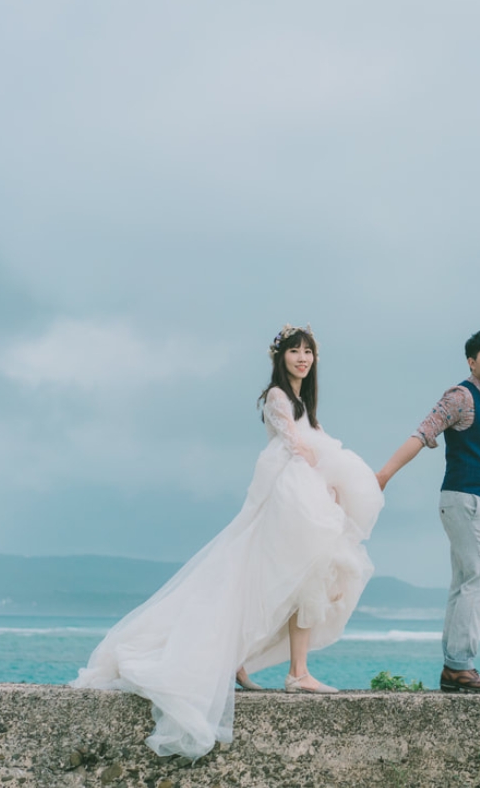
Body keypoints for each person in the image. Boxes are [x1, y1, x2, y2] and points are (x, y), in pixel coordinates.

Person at [72, 325, 383, 759]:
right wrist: (325, 485)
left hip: (302, 498)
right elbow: (299, 450)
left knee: (304, 582)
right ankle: (285, 669)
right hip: (289, 501)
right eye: (294, 351)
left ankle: (293, 670)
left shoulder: (308, 406)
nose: (302, 358)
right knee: (278, 579)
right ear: (280, 357)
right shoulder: (278, 396)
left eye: (307, 352)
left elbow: (316, 448)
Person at [376, 329, 480, 693]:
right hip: (465, 499)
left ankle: (453, 668)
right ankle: (460, 665)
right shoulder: (461, 396)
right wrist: (383, 475)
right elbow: (422, 433)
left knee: (464, 583)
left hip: (469, 500)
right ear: (472, 362)